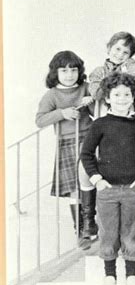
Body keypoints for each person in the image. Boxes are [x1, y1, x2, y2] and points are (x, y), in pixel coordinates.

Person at [80, 72, 135, 285]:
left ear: (132, 97)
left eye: (127, 94)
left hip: (132, 189)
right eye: (117, 94)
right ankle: (109, 273)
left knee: (130, 232)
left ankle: (131, 274)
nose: (122, 98)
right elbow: (86, 154)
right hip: (107, 190)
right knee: (108, 233)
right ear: (108, 98)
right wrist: (97, 180)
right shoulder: (100, 124)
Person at [35, 50, 93, 242]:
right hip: (67, 142)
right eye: (64, 71)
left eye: (73, 70)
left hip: (88, 139)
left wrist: (90, 101)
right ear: (55, 73)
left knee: (90, 181)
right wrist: (62, 113)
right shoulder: (52, 95)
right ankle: (80, 229)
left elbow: (97, 110)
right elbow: (40, 120)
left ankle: (91, 223)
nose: (69, 75)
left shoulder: (85, 87)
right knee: (74, 188)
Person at [89, 31, 135, 118]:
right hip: (104, 116)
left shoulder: (133, 67)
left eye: (126, 52)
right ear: (109, 48)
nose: (120, 54)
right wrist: (121, 74)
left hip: (126, 115)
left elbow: (131, 85)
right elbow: (97, 94)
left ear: (130, 56)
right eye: (117, 49)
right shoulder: (98, 72)